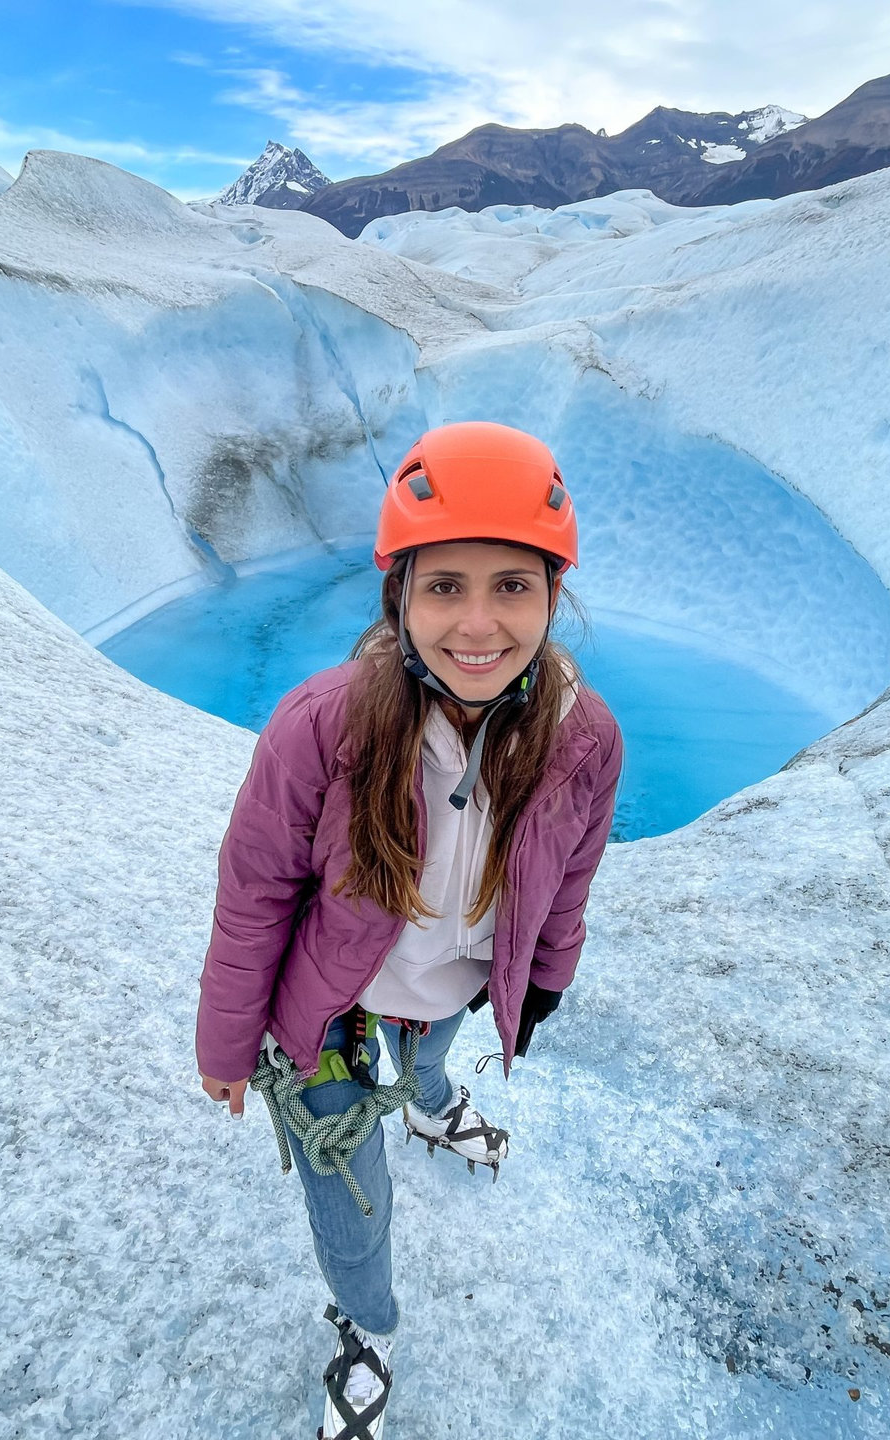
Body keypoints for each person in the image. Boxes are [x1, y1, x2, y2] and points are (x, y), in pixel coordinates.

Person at [195, 420, 624, 1439]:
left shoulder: (586, 739)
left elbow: (569, 879)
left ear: (554, 595)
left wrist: (546, 979)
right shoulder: (323, 725)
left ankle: (431, 1105)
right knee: (349, 1179)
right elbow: (254, 891)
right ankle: (367, 1329)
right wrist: (226, 1043)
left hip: (451, 983)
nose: (478, 623)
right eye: (446, 586)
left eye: (513, 585)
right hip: (329, 1006)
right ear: (400, 594)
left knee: (430, 1049)